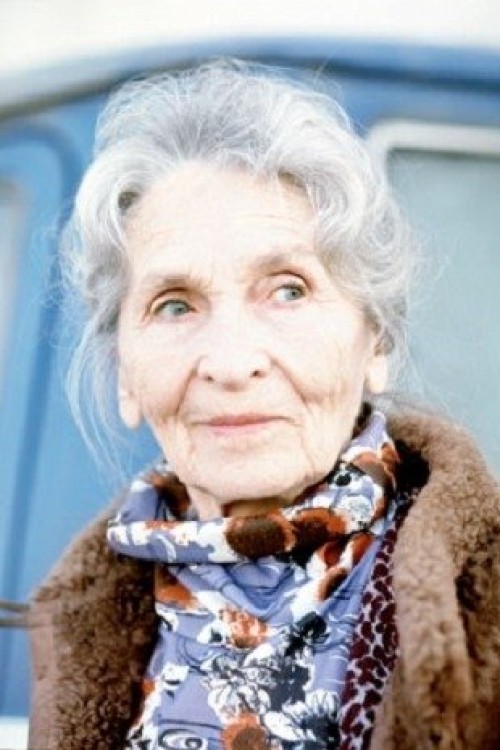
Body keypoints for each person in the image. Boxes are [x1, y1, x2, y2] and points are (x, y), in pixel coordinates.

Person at [28, 61, 500, 750]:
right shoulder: (76, 617)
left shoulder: (486, 598)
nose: (231, 361)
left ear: (374, 341)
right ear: (124, 372)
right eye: (175, 305)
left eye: (288, 290)